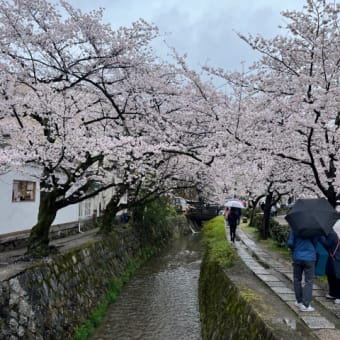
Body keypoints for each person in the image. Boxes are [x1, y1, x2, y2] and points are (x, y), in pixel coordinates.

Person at [287, 228, 317, 312]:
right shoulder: (313, 228)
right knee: (309, 281)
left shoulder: (295, 227)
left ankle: (299, 301)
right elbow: (316, 242)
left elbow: (290, 243)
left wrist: (292, 248)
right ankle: (305, 305)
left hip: (297, 256)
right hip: (310, 257)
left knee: (297, 279)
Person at [317, 230, 340, 304]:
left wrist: (320, 236)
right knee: (330, 276)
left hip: (336, 259)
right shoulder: (329, 233)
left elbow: (326, 244)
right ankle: (332, 293)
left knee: (337, 277)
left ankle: (338, 296)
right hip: (331, 258)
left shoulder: (332, 234)